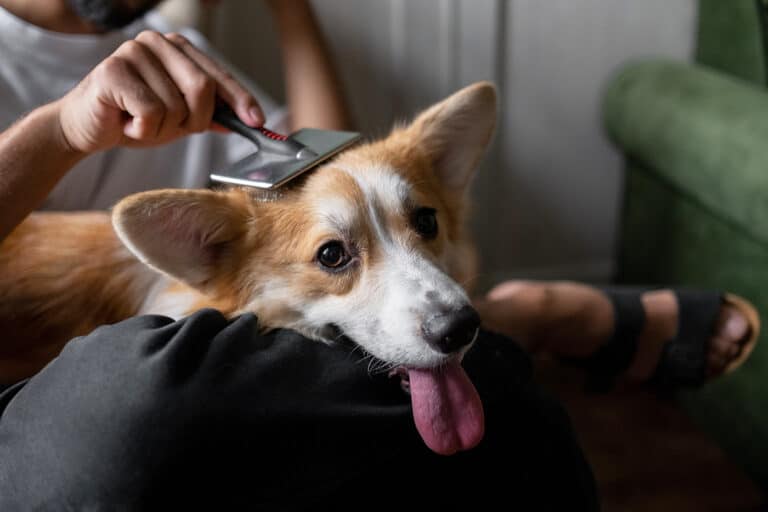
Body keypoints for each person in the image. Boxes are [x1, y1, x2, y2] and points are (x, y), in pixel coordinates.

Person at [0, 0, 757, 508]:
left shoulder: (180, 53)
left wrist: (292, 12)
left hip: (245, 304)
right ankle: (521, 322)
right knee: (144, 402)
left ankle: (508, 325)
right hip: (104, 376)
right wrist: (61, 131)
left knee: (485, 401)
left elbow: (333, 167)